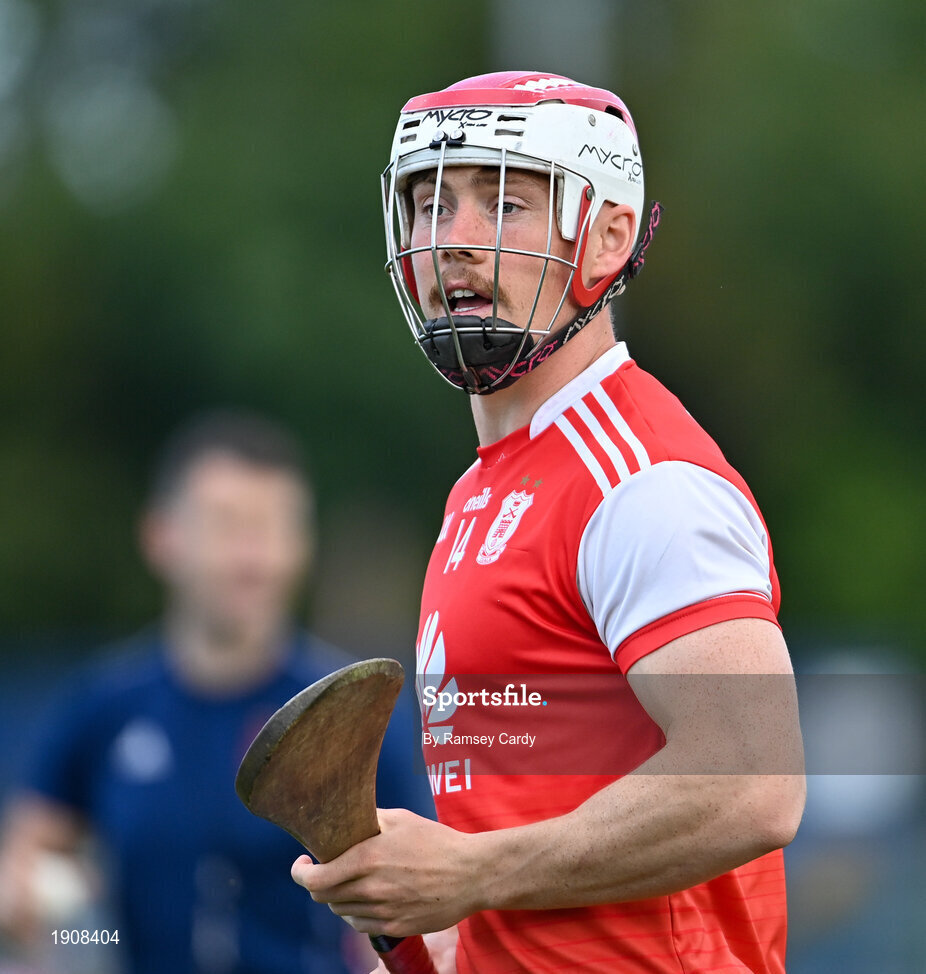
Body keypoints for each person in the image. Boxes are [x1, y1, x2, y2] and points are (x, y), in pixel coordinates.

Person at [290, 72, 806, 973]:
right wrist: (441, 922)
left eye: (504, 205)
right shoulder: (479, 495)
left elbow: (756, 783)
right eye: (430, 205)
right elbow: (520, 851)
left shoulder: (644, 480)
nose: (451, 241)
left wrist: (474, 873)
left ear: (607, 236)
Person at [0, 410, 432, 974]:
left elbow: (427, 898)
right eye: (227, 526)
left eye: (274, 527)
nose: (253, 559)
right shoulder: (105, 706)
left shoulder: (354, 707)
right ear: (161, 537)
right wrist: (29, 896)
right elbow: (30, 855)